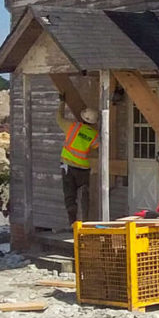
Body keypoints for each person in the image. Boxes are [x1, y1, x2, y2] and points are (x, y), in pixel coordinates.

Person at [57, 95, 100, 227]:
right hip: (84, 169)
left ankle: (73, 224)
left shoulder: (72, 127)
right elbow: (97, 150)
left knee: (70, 196)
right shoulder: (94, 135)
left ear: (82, 117)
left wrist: (62, 103)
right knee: (85, 194)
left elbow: (59, 118)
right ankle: (86, 222)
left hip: (68, 167)